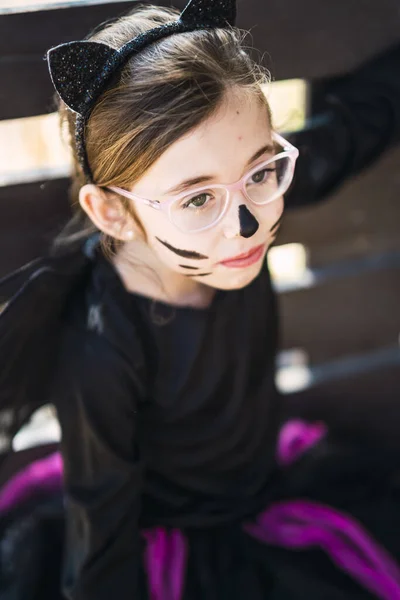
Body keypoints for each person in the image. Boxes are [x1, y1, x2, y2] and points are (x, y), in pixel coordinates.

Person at [1, 2, 400, 599]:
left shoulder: (236, 211)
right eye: (195, 199)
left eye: (261, 171)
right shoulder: (102, 350)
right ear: (114, 212)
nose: (244, 225)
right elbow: (101, 538)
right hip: (174, 553)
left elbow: (349, 133)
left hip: (268, 486)